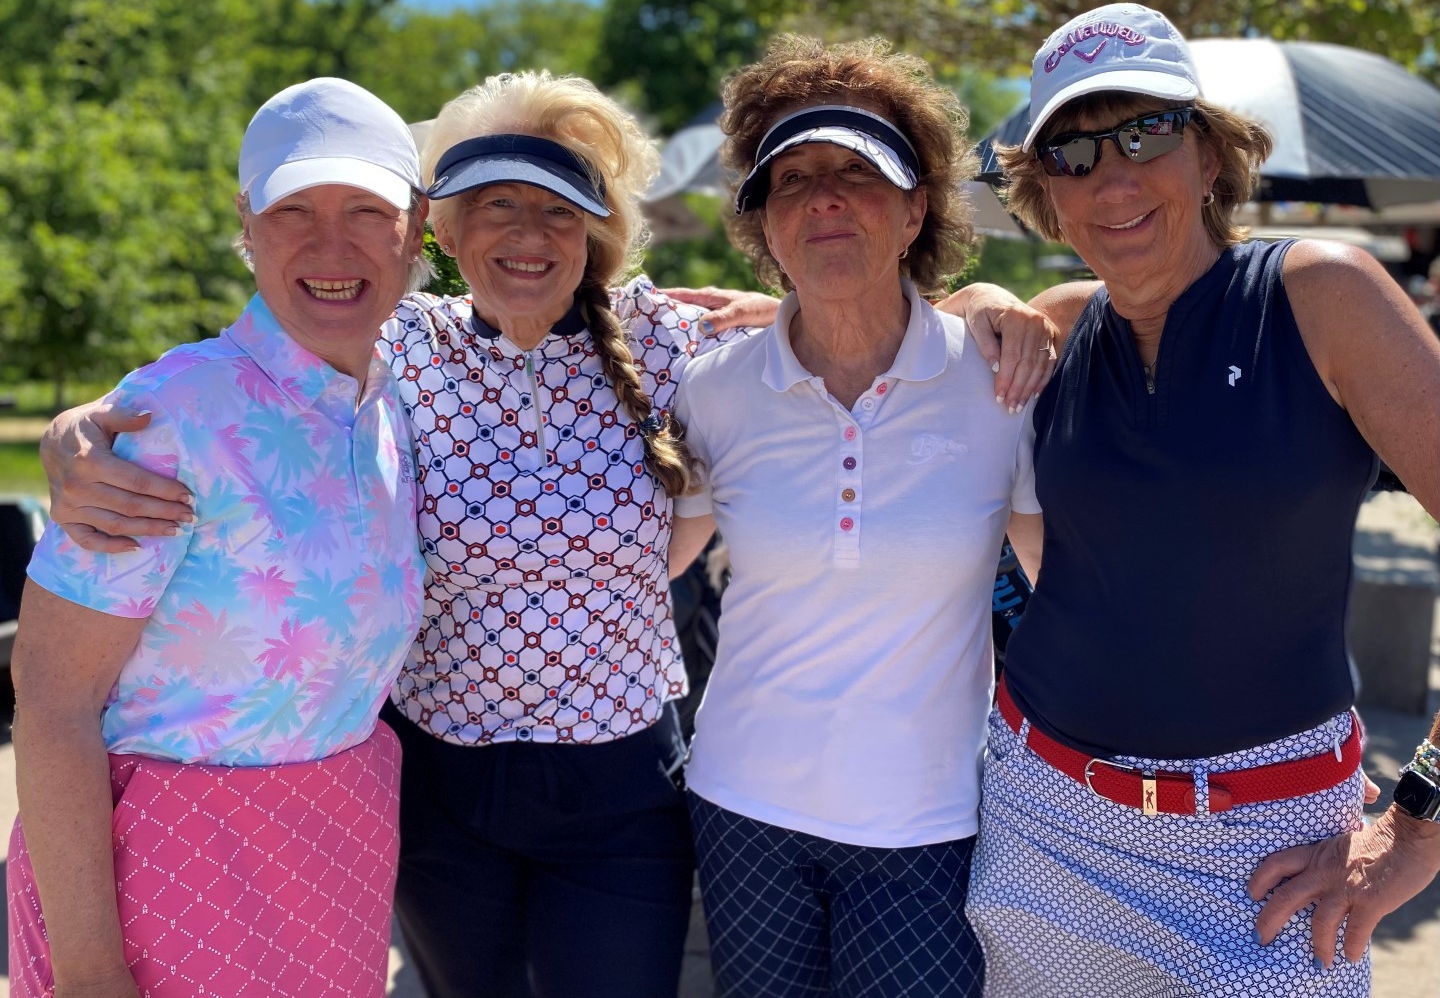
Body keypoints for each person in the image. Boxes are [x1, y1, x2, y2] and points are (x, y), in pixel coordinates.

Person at [37, 69, 1053, 997]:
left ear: (594, 233)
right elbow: (255, 369)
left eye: (557, 209)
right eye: (496, 205)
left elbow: (850, 312)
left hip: (622, 786)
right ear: (441, 231)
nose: (527, 234)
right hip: (442, 785)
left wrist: (988, 301)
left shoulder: (668, 343)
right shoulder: (396, 348)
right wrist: (85, 427)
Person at [964, 2, 1440, 997]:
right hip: (1040, 823)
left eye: (1147, 132)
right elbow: (912, 337)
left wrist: (1415, 830)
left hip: (1269, 854)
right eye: (1074, 153)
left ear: (1210, 154)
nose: (1114, 178)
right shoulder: (1055, 327)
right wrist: (974, 303)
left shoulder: (1322, 297)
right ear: (1045, 194)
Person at [8, 78, 429, 998]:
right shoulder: (169, 419)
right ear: (246, 223)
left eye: (367, 210)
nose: (331, 245)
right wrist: (89, 972)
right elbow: (51, 697)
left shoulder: (397, 391)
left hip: (336, 854)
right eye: (293, 210)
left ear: (416, 226)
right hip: (169, 869)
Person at [669, 34, 1046, 998]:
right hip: (742, 809)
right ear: (764, 223)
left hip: (930, 824)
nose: (825, 198)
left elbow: (1073, 594)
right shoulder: (711, 390)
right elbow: (643, 561)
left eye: (858, 172)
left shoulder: (1002, 383)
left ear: (917, 208)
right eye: (793, 179)